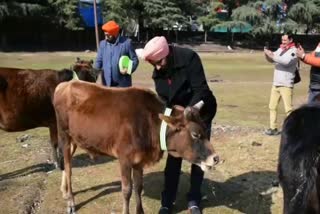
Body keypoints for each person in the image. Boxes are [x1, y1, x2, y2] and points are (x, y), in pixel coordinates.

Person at [137, 36, 217, 214]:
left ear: (166, 53)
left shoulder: (189, 58)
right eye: (153, 63)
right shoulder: (158, 73)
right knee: (174, 158)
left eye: (159, 62)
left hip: (200, 111)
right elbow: (164, 100)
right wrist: (172, 118)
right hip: (179, 117)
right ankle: (167, 202)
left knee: (200, 155)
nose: (157, 66)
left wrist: (190, 111)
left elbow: (202, 89)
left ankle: (194, 200)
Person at [263, 33, 298, 136]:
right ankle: (273, 128)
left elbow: (285, 62)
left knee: (288, 109)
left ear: (291, 40)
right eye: (282, 40)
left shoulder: (294, 51)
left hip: (286, 84)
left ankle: (292, 130)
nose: (283, 42)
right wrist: (267, 54)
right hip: (276, 82)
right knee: (272, 106)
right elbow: (272, 60)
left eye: (285, 40)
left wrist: (272, 55)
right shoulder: (280, 49)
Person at [94, 20, 139, 87]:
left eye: (108, 35)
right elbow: (99, 61)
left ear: (115, 33)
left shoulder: (127, 43)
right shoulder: (102, 44)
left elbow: (135, 60)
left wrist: (129, 69)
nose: (106, 38)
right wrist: (94, 73)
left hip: (123, 85)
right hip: (107, 85)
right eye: (105, 35)